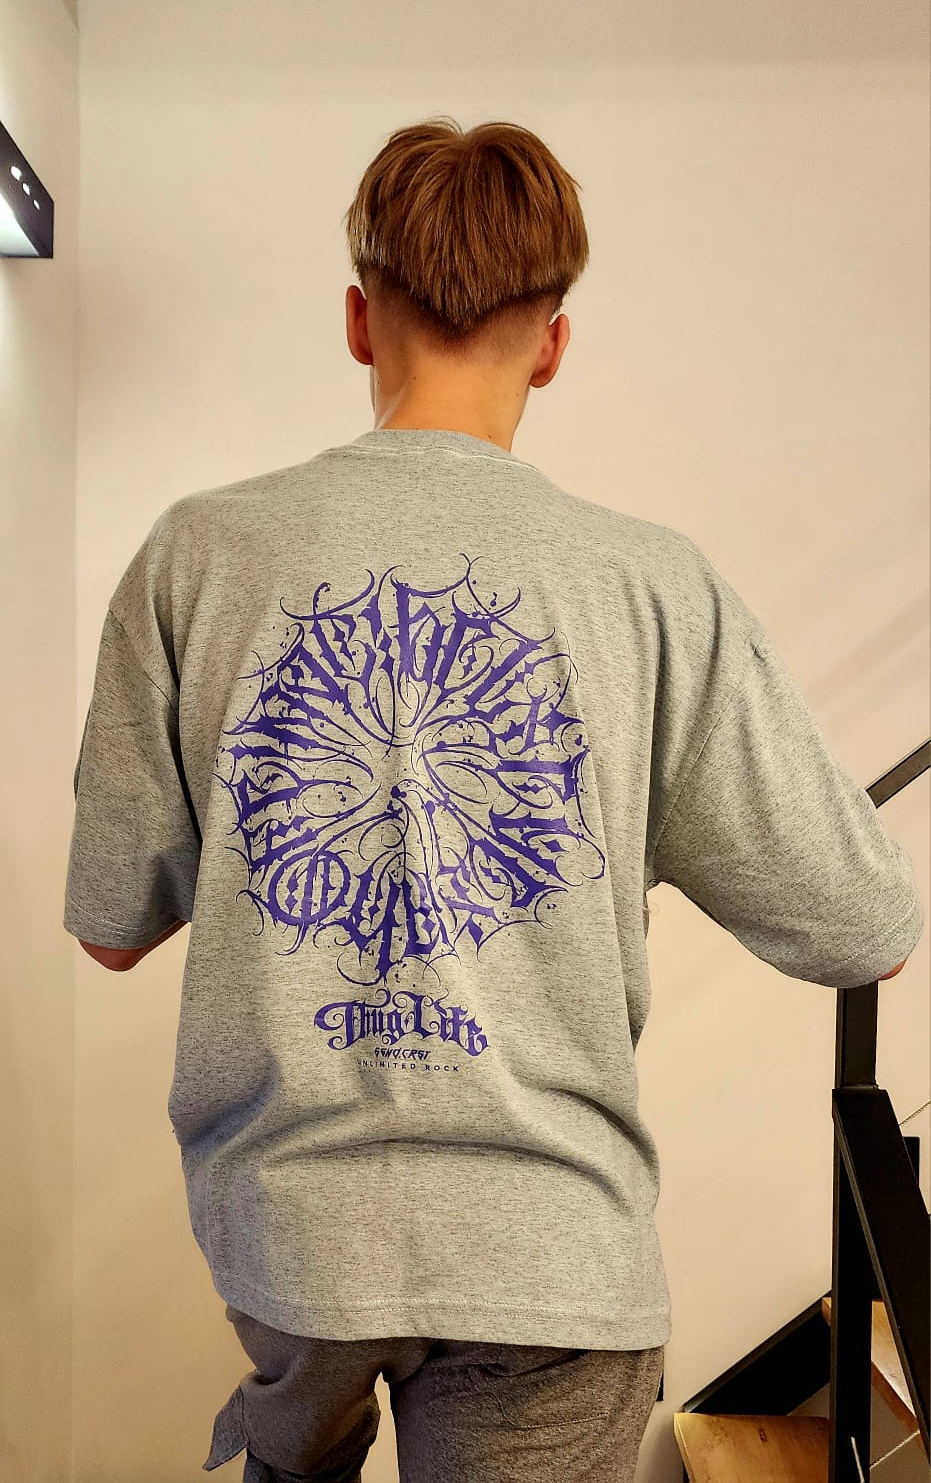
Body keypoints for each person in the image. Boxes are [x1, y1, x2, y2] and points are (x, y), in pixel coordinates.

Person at [63, 117, 923, 1483]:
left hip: (292, 1240)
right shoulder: (652, 588)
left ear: (360, 319)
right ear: (555, 343)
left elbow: (112, 926)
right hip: (552, 1254)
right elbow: (864, 926)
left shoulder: (196, 556)